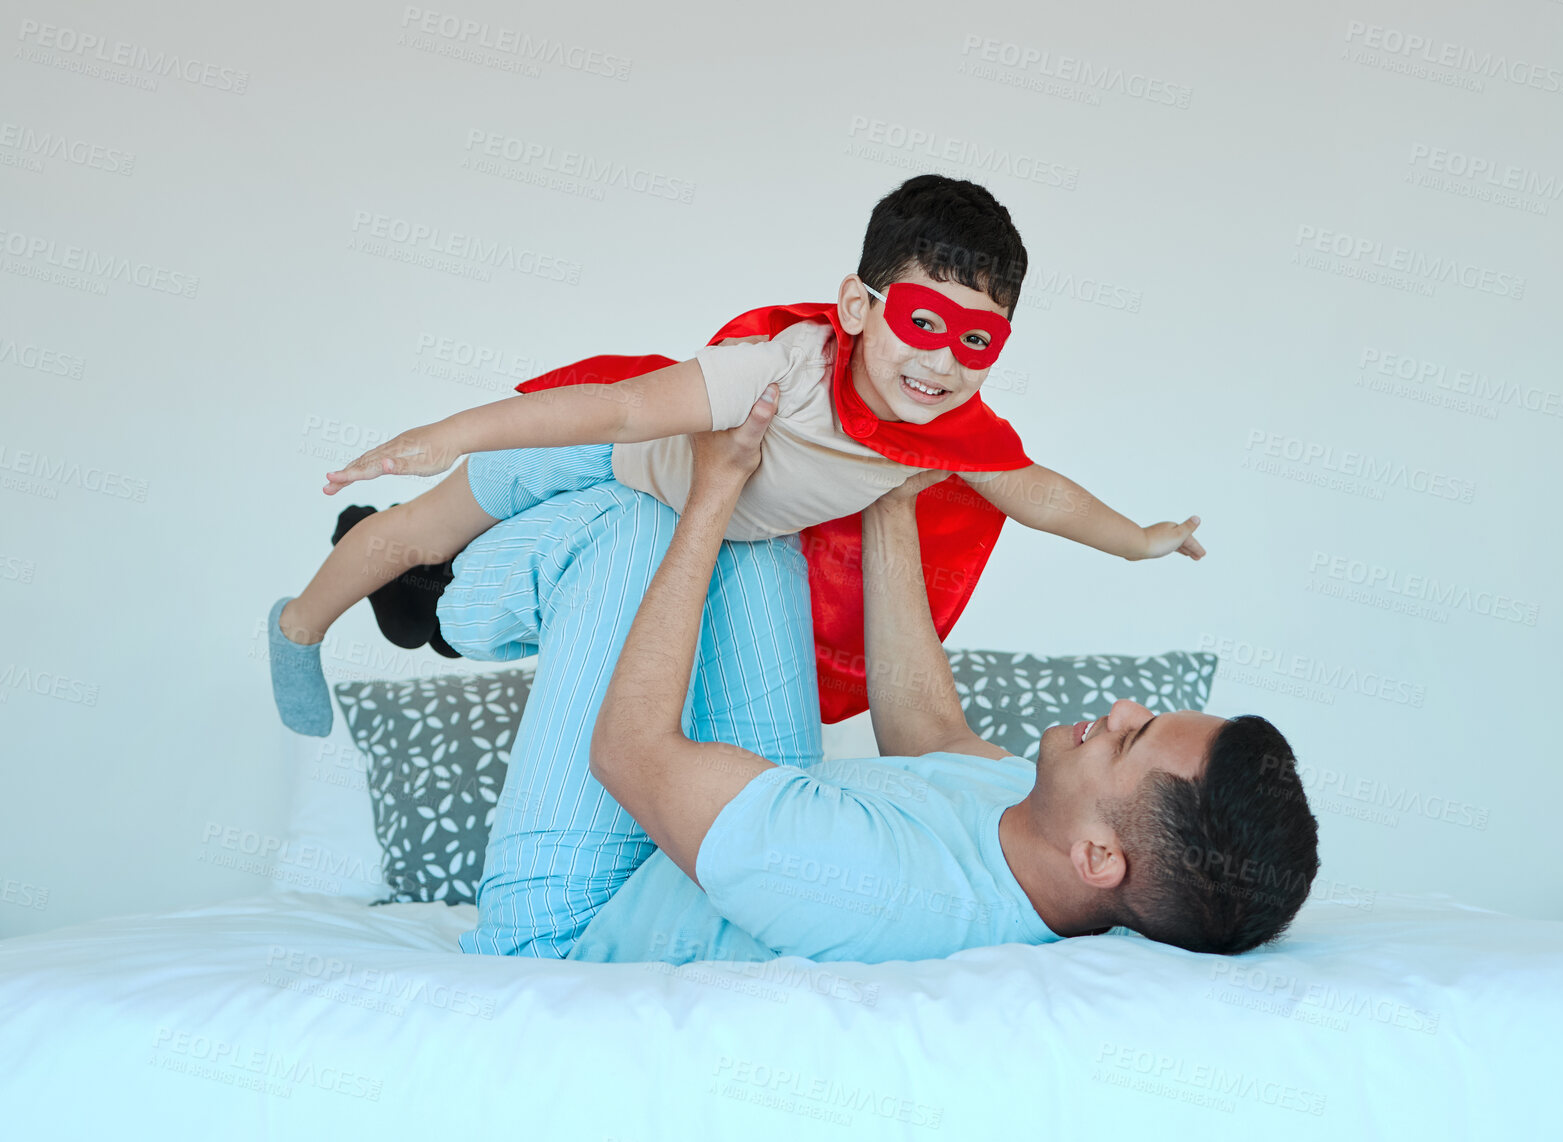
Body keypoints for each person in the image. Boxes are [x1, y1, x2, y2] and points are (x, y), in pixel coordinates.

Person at [267, 175, 1206, 737]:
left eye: (976, 342)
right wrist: (445, 437)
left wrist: (1142, 540)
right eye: (923, 323)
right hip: (600, 460)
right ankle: (301, 625)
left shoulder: (951, 432)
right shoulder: (784, 370)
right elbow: (624, 410)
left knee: (470, 594)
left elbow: (1039, 494)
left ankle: (422, 594)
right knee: (415, 533)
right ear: (855, 307)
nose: (939, 362)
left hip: (678, 531)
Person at [443, 390, 1318, 963]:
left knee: (643, 524)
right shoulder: (1043, 826)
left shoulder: (880, 886)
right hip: (708, 830)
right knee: (760, 529)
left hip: (577, 924)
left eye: (1133, 739)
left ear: (1098, 857)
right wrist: (891, 496)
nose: (1122, 708)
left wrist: (707, 497)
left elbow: (631, 755)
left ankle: (426, 588)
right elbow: (930, 738)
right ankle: (447, 525)